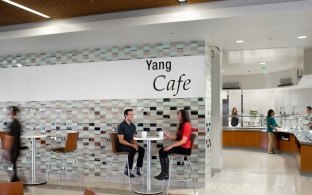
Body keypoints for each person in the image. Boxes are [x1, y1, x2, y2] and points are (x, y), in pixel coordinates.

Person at [154, 109, 192, 180]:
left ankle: (165, 173)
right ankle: (164, 173)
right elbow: (178, 138)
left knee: (163, 151)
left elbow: (183, 141)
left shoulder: (187, 125)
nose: (177, 116)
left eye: (179, 114)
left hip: (185, 149)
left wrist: (171, 146)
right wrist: (168, 136)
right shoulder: (182, 124)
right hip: (182, 147)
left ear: (183, 115)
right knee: (162, 150)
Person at [117, 109, 145, 178]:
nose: (132, 116)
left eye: (133, 114)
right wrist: (132, 145)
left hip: (129, 144)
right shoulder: (121, 126)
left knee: (141, 150)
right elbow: (121, 140)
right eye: (130, 114)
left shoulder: (133, 126)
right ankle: (127, 170)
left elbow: (133, 138)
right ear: (125, 116)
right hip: (121, 145)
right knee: (132, 149)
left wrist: (135, 145)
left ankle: (138, 168)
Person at [7, 106, 22, 182]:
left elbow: (13, 136)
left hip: (14, 146)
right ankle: (15, 177)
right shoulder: (16, 123)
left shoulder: (15, 123)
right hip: (16, 146)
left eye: (11, 112)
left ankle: (15, 178)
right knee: (13, 161)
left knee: (13, 161)